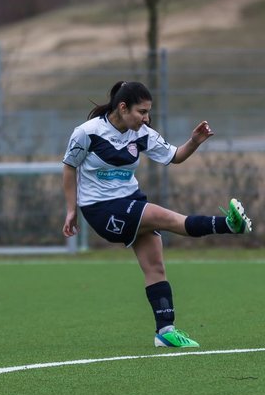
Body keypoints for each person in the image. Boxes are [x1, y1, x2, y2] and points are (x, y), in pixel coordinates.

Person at [62, 80, 253, 348]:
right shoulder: (87, 133)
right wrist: (72, 210)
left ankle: (165, 331)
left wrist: (194, 141)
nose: (146, 118)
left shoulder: (142, 133)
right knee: (170, 219)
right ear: (123, 107)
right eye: (141, 112)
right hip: (101, 209)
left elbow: (175, 156)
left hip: (131, 201)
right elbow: (69, 167)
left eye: (148, 112)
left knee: (155, 267)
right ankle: (229, 225)